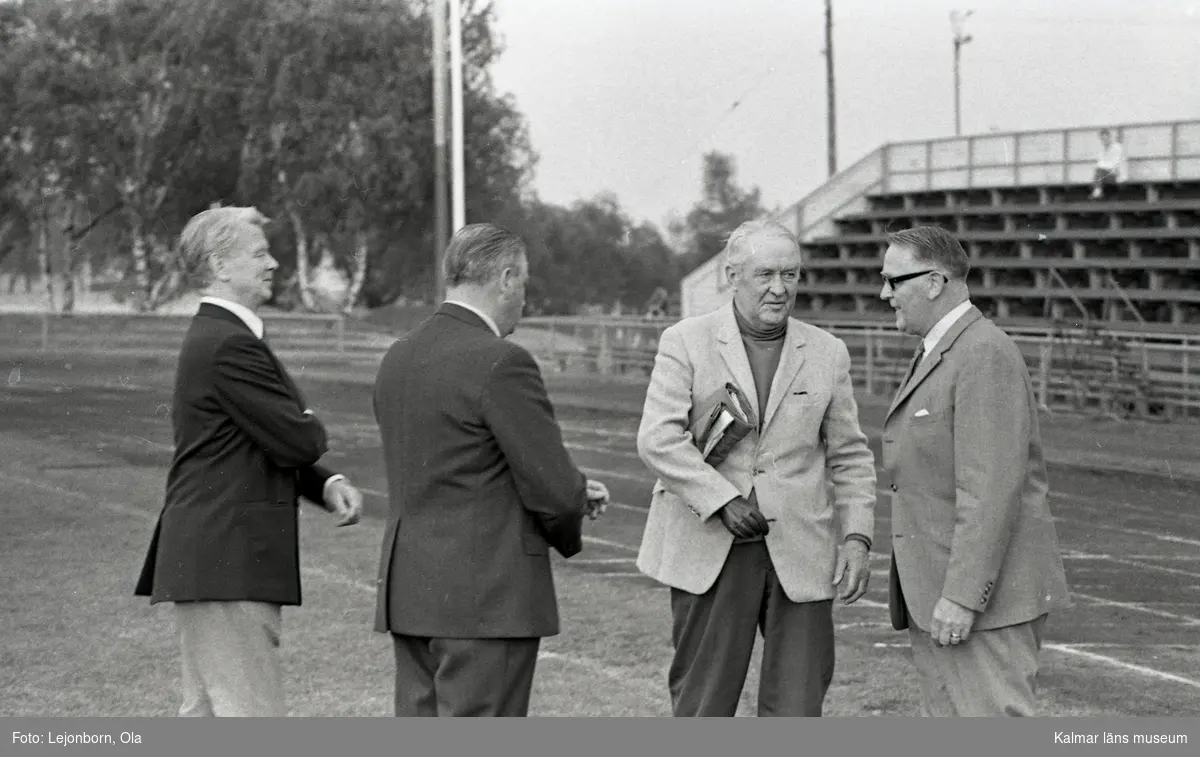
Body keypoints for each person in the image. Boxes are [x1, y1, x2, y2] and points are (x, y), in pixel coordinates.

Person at [635, 218, 877, 717]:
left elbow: (850, 455)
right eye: (766, 274)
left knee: (798, 706)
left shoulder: (829, 353)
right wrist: (721, 500)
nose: (779, 288)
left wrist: (857, 538)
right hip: (712, 549)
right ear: (731, 275)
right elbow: (658, 439)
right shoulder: (685, 340)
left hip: (801, 549)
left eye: (791, 275)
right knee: (704, 704)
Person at [372, 222, 609, 717]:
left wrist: (572, 489)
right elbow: (551, 487)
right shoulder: (501, 361)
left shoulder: (398, 356)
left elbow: (460, 463)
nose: (524, 298)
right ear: (504, 278)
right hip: (486, 599)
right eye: (522, 283)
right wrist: (572, 505)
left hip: (412, 594)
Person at [135, 206, 364, 717]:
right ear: (220, 265)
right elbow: (302, 437)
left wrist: (323, 484)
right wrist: (308, 432)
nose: (274, 264)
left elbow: (261, 439)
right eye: (259, 253)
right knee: (249, 719)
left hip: (210, 557)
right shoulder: (230, 343)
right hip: (227, 559)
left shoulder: (221, 336)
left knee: (210, 718)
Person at [878, 225, 1072, 717]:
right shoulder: (945, 349)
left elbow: (990, 492)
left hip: (977, 607)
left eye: (894, 281)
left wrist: (963, 598)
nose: (885, 294)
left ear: (934, 282)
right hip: (939, 598)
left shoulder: (982, 352)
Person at [1090, 128, 1125, 199]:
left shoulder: (1117, 148)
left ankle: (1097, 191)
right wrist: (1103, 166)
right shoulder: (1101, 149)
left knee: (1099, 170)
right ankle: (1098, 190)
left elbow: (1115, 164)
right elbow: (1099, 162)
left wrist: (1103, 165)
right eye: (1103, 139)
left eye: (1106, 138)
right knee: (1099, 171)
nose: (1105, 141)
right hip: (1105, 174)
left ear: (1110, 137)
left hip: (1116, 175)